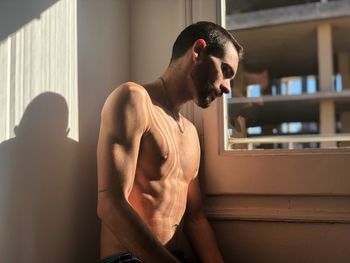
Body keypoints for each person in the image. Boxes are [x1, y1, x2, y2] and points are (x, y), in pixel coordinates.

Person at [97, 21, 243, 263]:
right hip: (127, 259)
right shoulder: (134, 100)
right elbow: (110, 204)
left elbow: (196, 219)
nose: (227, 88)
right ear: (198, 51)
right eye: (225, 71)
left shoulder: (191, 134)